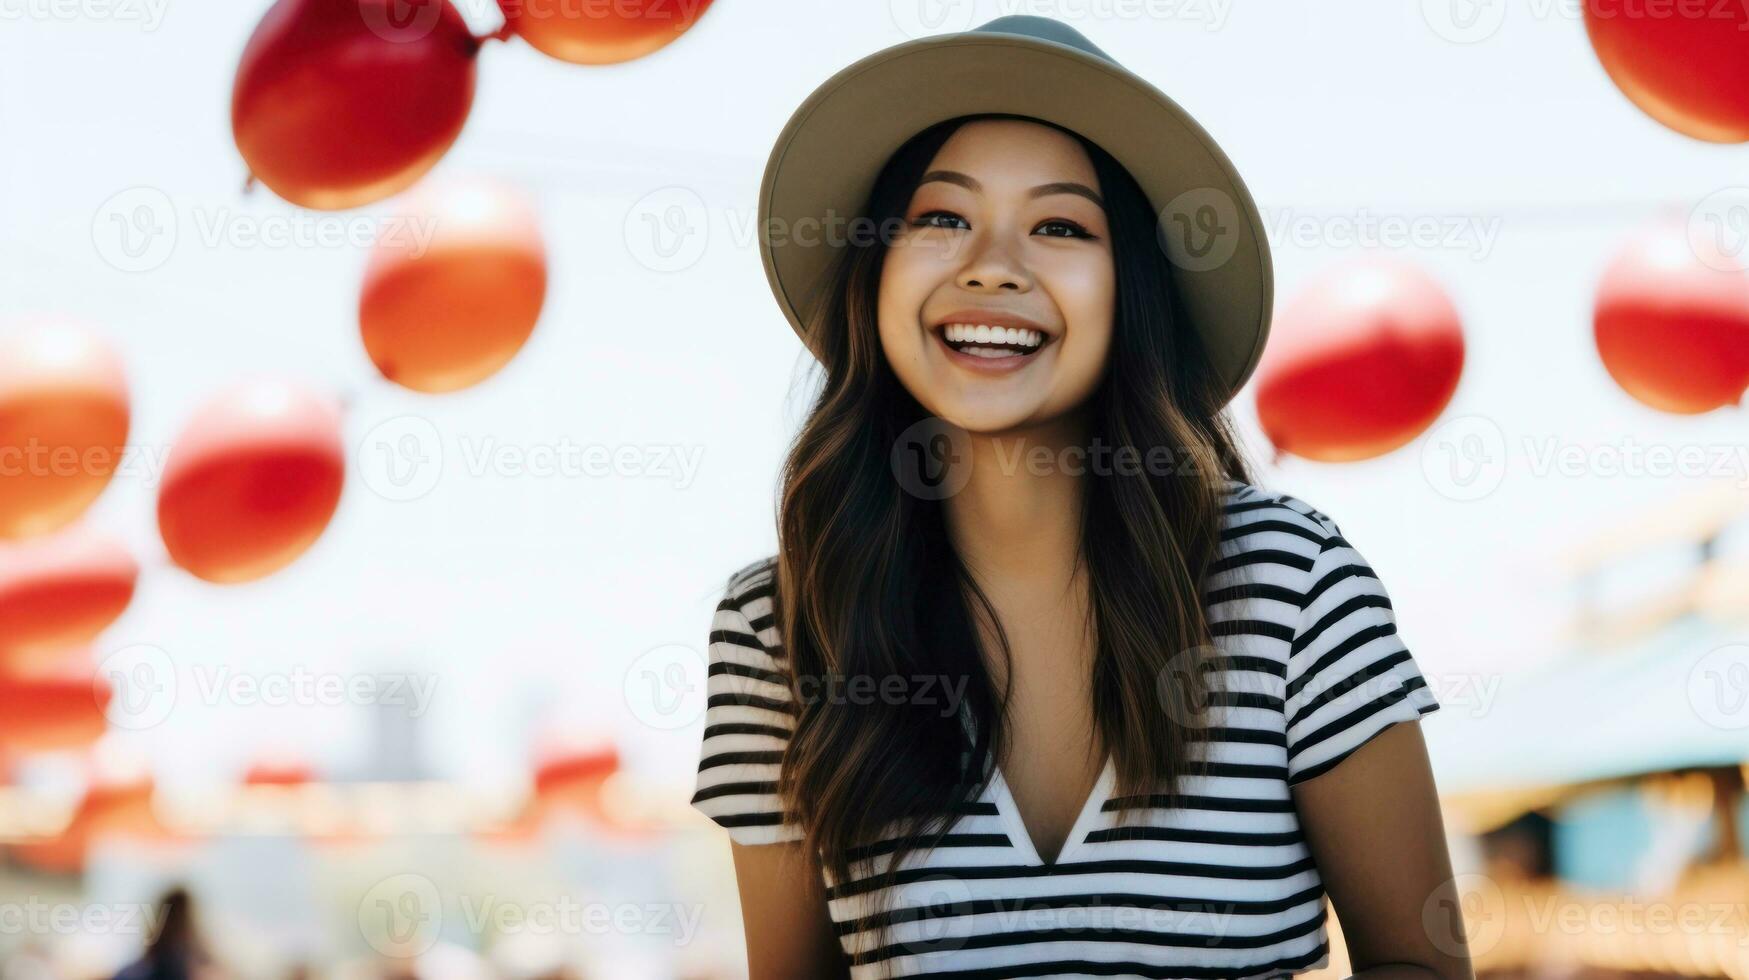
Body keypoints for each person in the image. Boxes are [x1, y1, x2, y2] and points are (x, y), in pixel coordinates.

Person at [691, 15, 1476, 980]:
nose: (991, 264)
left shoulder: (1292, 581)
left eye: (1060, 225)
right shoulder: (776, 626)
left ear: (1130, 290)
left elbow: (1422, 963)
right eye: (940, 218)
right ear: (874, 273)